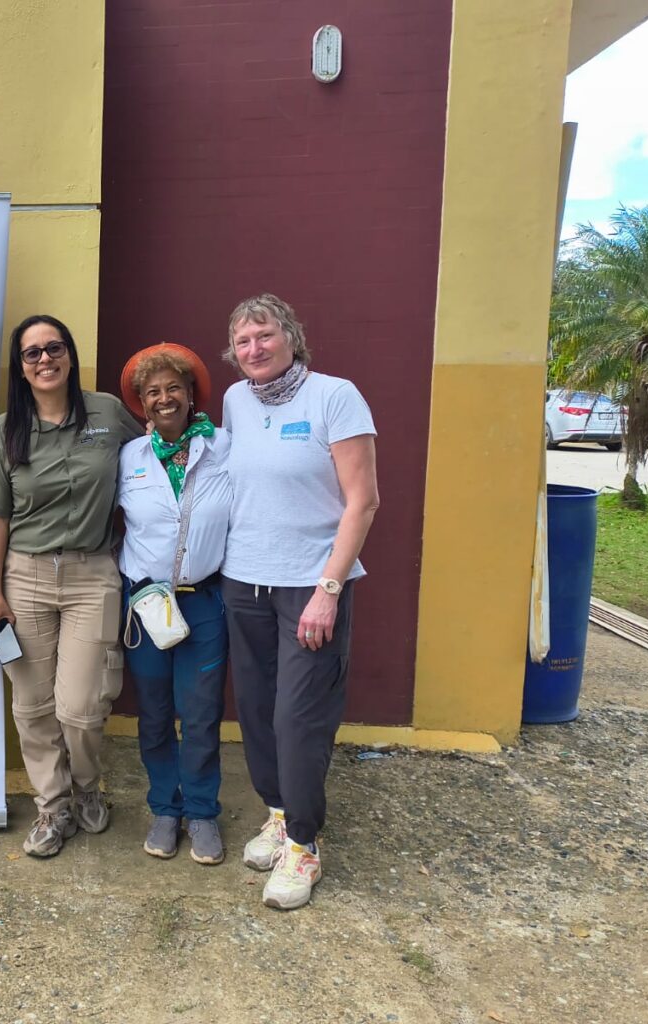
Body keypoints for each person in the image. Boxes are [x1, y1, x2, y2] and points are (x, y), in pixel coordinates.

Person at [219, 294, 379, 910]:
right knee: (257, 711)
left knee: (299, 717)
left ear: (290, 337)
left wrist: (328, 590)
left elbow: (362, 501)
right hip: (244, 580)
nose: (254, 349)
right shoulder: (235, 402)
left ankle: (306, 847)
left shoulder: (335, 397)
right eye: (242, 341)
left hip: (310, 587)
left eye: (264, 335)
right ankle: (280, 816)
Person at [0, 314, 145, 857]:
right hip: (23, 576)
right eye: (32, 353)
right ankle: (53, 808)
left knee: (80, 708)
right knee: (31, 705)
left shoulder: (108, 415)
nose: (44, 360)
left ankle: (89, 787)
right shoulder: (5, 430)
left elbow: (151, 464)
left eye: (54, 348)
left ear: (69, 355)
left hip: (92, 574)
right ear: (20, 368)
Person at [116, 343, 232, 865]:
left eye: (173, 388)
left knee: (201, 712)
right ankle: (166, 806)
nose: (164, 399)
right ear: (141, 402)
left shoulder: (227, 448)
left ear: (190, 394)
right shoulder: (129, 457)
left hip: (204, 600)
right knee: (156, 712)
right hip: (146, 603)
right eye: (152, 391)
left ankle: (203, 812)